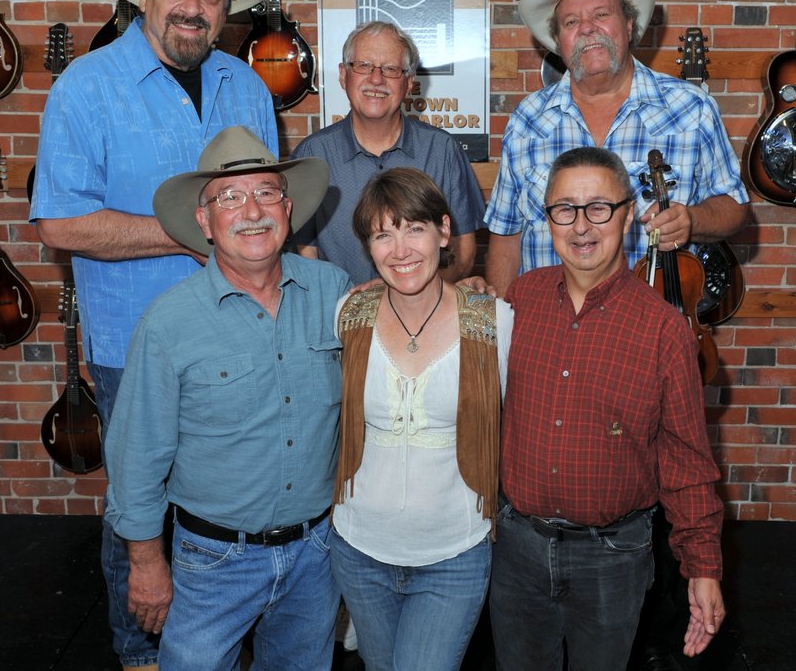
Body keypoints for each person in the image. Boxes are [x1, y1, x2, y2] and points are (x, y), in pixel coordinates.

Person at [28, 0, 278, 670]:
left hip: (240, 328)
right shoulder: (86, 86)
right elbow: (61, 226)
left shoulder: (246, 86)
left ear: (225, 5)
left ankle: (219, 645)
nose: (193, 7)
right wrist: (193, 233)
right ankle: (140, 654)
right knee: (139, 510)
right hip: (134, 340)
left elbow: (267, 209)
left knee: (225, 499)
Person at [103, 125, 350, 670]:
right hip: (213, 562)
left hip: (317, 554)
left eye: (266, 192)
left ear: (287, 207)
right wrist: (146, 564)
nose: (252, 210)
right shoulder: (168, 325)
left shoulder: (334, 291)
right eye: (230, 198)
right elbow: (136, 457)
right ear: (204, 221)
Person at [488, 146, 725, 671]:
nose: (580, 225)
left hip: (612, 559)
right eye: (564, 209)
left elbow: (686, 460)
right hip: (517, 550)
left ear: (628, 214)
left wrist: (702, 567)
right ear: (547, 217)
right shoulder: (518, 303)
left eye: (598, 207)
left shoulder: (664, 329)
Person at [331, 167, 513, 671]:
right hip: (358, 547)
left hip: (454, 551)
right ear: (368, 247)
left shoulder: (493, 320)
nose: (400, 248)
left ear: (445, 231)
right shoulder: (349, 314)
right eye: (382, 234)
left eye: (414, 228)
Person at [484, 0, 749, 298]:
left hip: (652, 328)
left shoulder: (691, 109)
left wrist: (692, 221)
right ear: (559, 42)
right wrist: (503, 333)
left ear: (628, 25)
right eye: (571, 22)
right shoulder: (527, 120)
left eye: (601, 14)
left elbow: (736, 207)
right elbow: (506, 237)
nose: (587, 28)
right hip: (551, 329)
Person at [290, 21, 485, 284]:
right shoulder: (312, 154)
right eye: (364, 66)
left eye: (391, 69)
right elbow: (305, 252)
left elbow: (463, 250)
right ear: (343, 75)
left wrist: (411, 294)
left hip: (422, 314)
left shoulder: (442, 151)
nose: (376, 79)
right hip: (341, 314)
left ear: (408, 83)